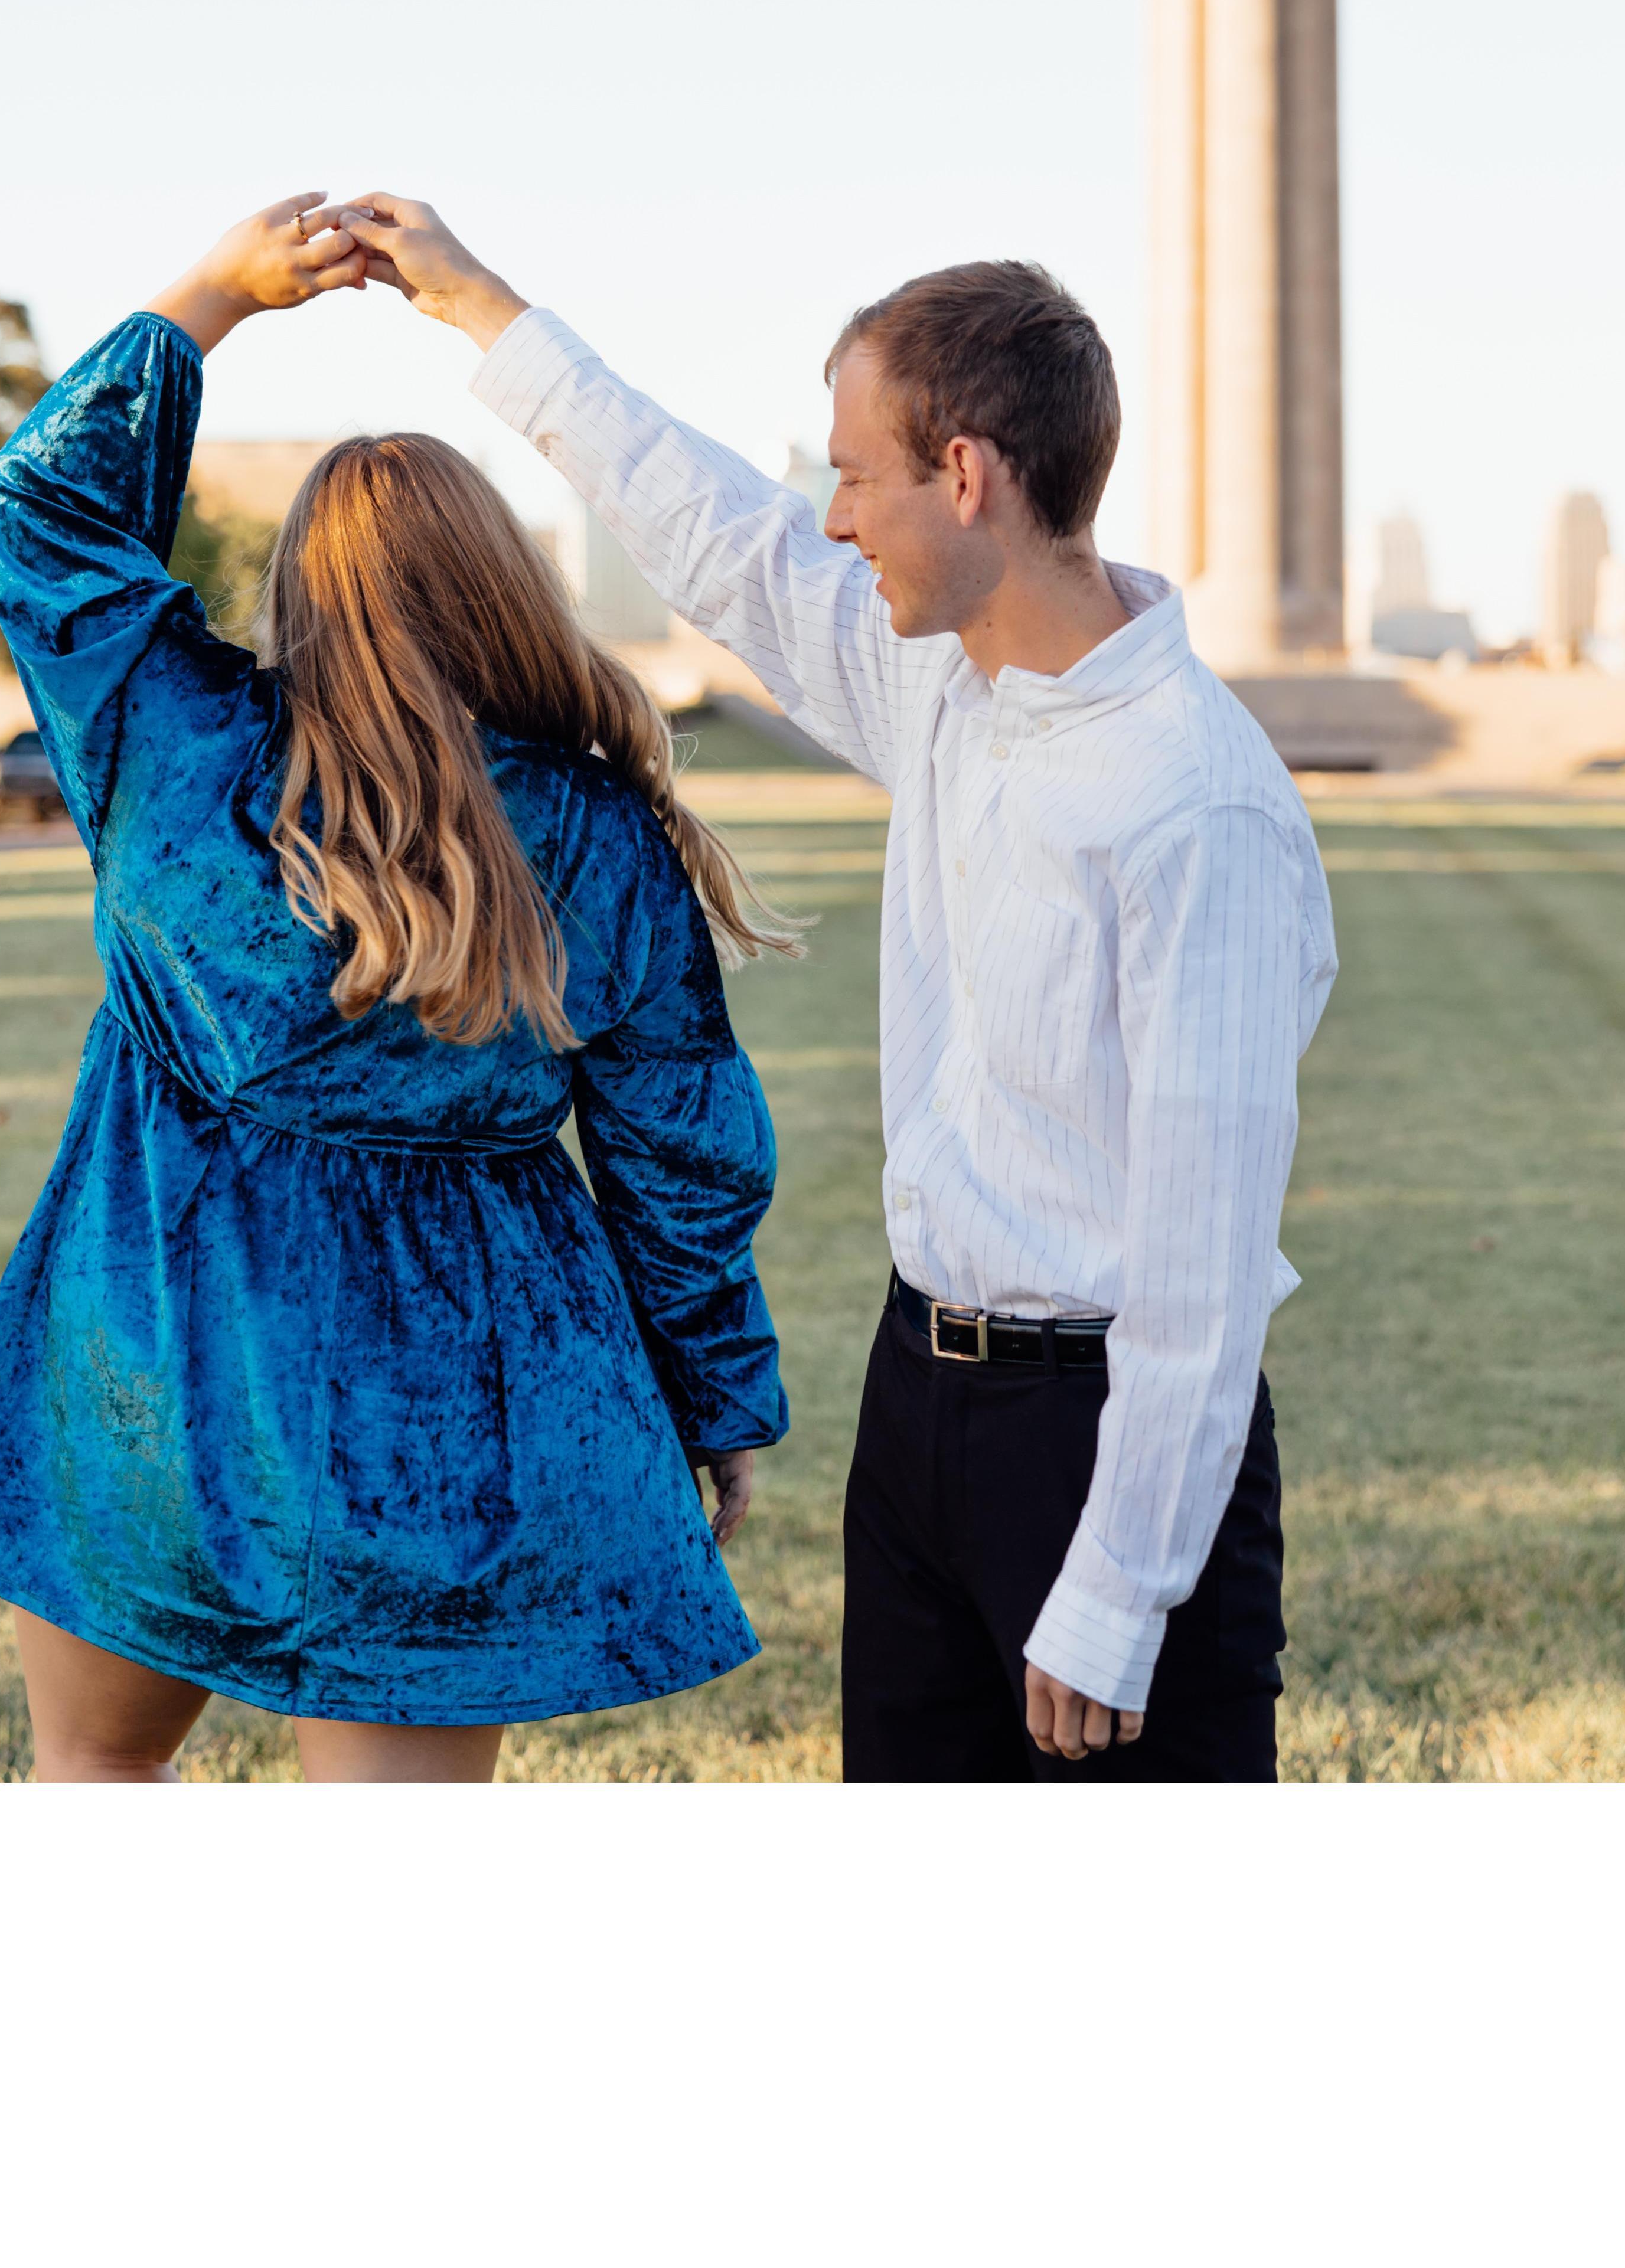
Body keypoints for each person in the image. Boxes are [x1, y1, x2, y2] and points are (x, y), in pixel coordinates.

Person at [336, 195, 1337, 1783]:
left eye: (858, 477)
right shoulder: (946, 682)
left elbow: (1203, 1270)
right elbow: (718, 539)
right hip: (918, 1403)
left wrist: (1118, 1593)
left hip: (1098, 1445)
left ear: (968, 477)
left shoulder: (1192, 803)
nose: (834, 521)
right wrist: (485, 314)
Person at [0, 196, 795, 1784]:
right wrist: (712, 1391)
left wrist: (222, 296)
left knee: (90, 1778)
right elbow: (679, 1154)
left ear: (297, 595)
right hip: (449, 1420)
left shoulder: (175, 751)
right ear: (504, 595)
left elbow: (43, 509)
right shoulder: (597, 831)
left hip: (152, 1362)